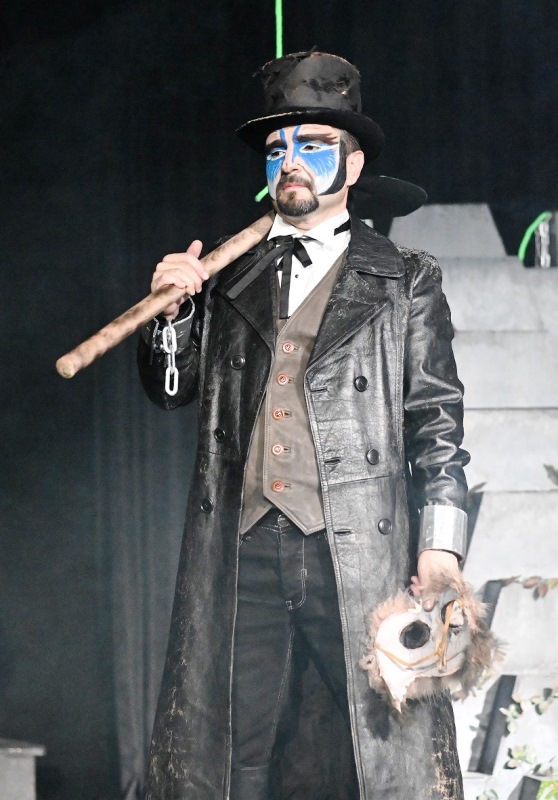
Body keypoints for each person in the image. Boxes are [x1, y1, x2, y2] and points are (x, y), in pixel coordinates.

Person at [138, 51, 470, 800]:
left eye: (312, 145)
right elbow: (169, 392)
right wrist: (173, 314)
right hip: (244, 548)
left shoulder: (406, 278)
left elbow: (437, 423)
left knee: (385, 754)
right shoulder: (232, 277)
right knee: (229, 754)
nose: (289, 161)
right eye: (277, 148)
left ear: (352, 165)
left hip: (359, 554)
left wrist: (441, 548)